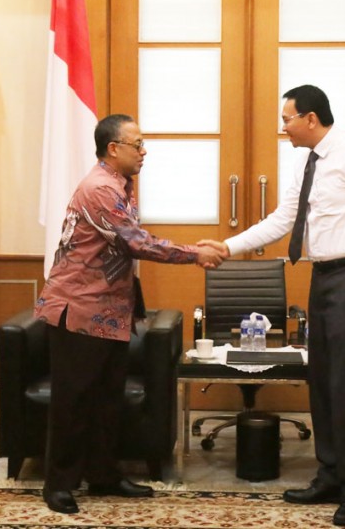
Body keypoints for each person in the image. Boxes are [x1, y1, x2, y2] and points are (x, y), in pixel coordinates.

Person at [201, 85, 345, 527]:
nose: (284, 127)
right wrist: (229, 247)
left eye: (287, 119)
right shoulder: (307, 161)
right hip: (324, 277)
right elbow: (282, 219)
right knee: (323, 382)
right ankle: (329, 475)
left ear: (311, 118)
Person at [35, 114, 224, 514]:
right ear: (113, 148)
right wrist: (195, 253)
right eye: (137, 144)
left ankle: (103, 474)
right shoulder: (100, 189)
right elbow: (137, 243)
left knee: (107, 400)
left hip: (109, 312)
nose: (144, 151)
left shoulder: (120, 184)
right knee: (74, 402)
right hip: (79, 310)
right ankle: (59, 484)